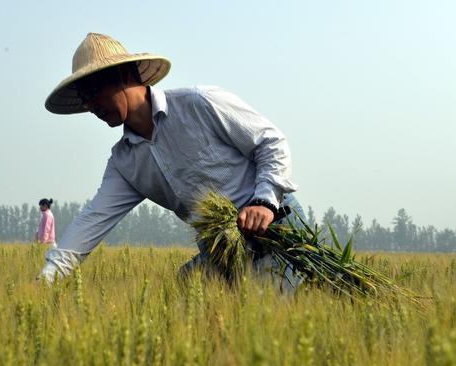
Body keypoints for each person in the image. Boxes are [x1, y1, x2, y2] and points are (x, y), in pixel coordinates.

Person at [39, 32, 305, 292]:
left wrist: (265, 201)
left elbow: (271, 142)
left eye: (94, 91)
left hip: (274, 228)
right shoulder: (125, 163)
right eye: (85, 98)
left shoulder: (199, 104)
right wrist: (46, 280)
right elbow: (92, 221)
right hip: (222, 247)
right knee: (182, 294)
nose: (92, 105)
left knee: (271, 315)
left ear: (127, 75)